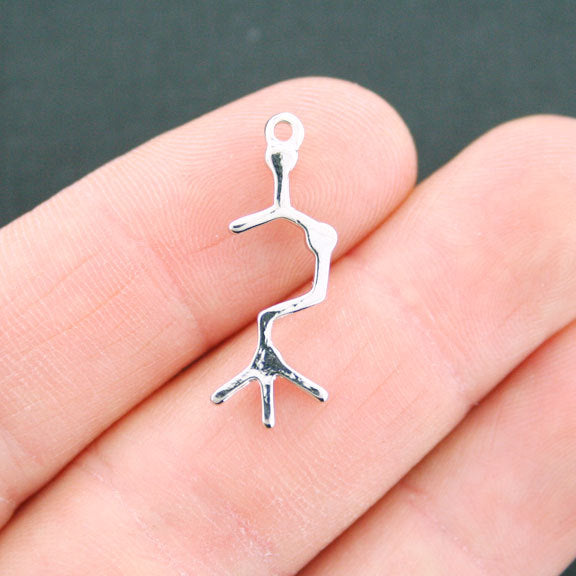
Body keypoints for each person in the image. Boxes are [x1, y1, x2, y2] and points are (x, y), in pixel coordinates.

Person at [0, 77, 574, 574]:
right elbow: (262, 219)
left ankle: (265, 364)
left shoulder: (306, 221)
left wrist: (265, 214)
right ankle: (265, 363)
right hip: (305, 272)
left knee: (267, 314)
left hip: (315, 290)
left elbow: (272, 220)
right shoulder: (296, 214)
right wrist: (262, 214)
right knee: (266, 315)